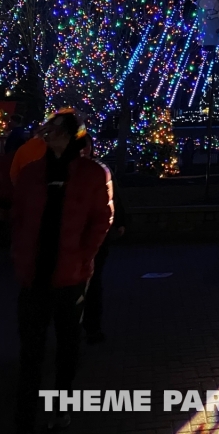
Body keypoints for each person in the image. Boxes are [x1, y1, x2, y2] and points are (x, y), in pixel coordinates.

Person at [11, 109, 112, 433]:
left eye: (54, 128)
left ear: (70, 135)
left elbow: (101, 220)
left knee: (68, 346)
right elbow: (19, 217)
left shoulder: (93, 174)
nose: (47, 132)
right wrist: (20, 256)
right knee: (31, 349)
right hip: (34, 274)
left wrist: (83, 257)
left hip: (70, 276)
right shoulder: (31, 173)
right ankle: (26, 413)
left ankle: (60, 406)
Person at [79, 134, 127, 343]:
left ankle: (91, 326)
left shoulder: (100, 169)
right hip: (79, 233)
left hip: (96, 233)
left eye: (87, 145)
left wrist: (120, 220)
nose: (84, 149)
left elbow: (114, 197)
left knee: (94, 279)